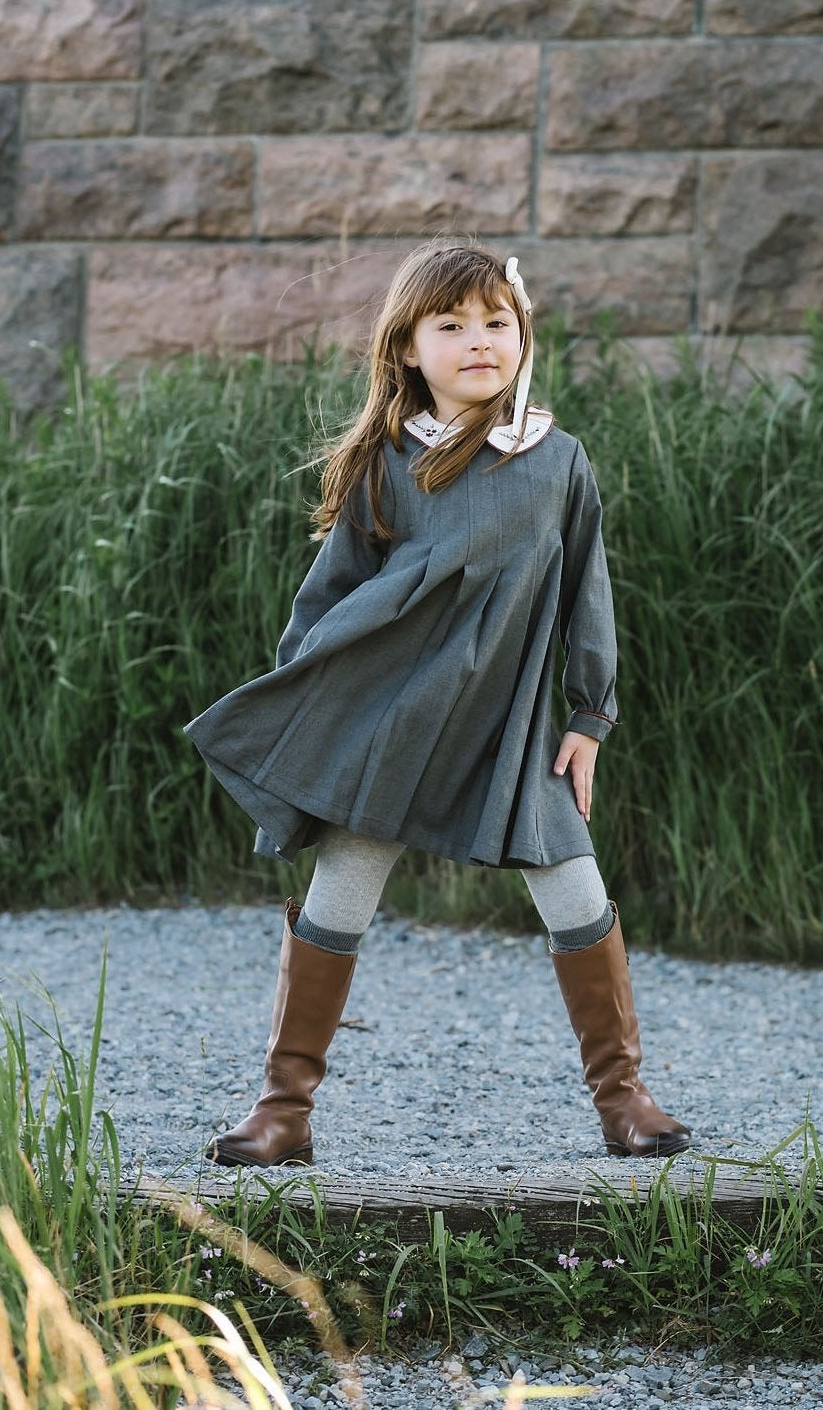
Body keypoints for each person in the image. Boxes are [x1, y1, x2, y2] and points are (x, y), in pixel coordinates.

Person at [184, 241, 689, 1167]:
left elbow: (589, 594)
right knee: (340, 889)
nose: (478, 341)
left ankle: (624, 1099)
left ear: (523, 334)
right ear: (409, 349)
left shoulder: (559, 459)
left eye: (496, 322)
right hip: (394, 718)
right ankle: (282, 1109)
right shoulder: (386, 459)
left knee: (575, 888)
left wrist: (590, 718)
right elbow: (329, 596)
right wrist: (311, 711)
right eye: (450, 326)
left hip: (515, 728)